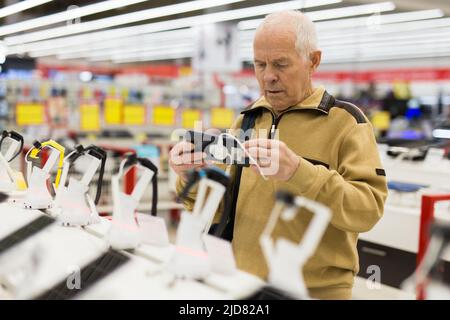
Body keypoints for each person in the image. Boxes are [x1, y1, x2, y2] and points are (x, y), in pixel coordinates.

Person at [169, 10, 388, 300]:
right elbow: (222, 210)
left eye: (281, 64)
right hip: (241, 284)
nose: (268, 76)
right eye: (260, 65)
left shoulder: (347, 123)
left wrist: (299, 171)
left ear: (313, 61)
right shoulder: (248, 119)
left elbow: (367, 211)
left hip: (313, 292)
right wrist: (190, 177)